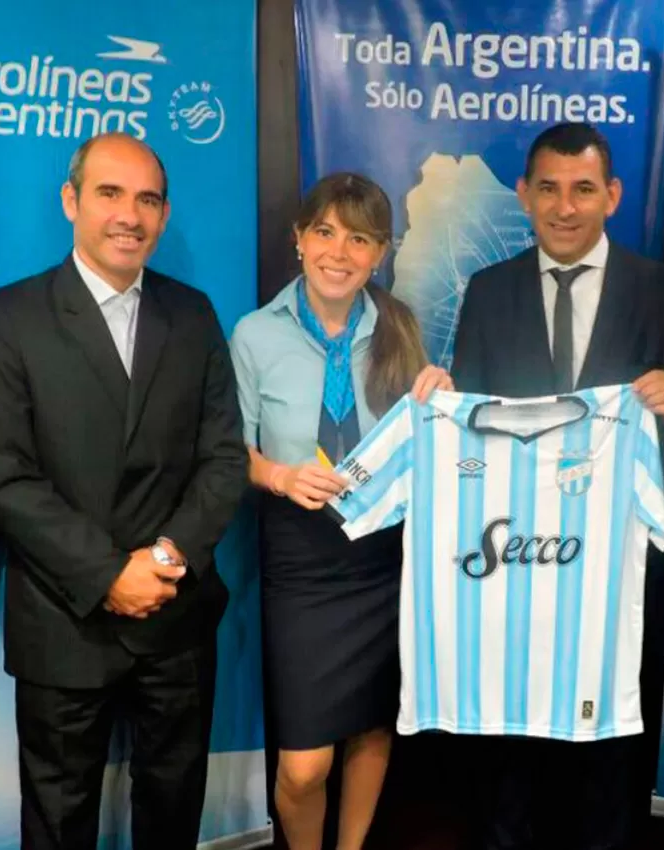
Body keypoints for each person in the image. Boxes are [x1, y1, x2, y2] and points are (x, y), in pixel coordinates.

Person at [414, 121, 664, 850]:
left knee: (609, 749)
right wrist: (446, 401)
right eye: (548, 188)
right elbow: (472, 428)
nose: (565, 207)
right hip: (515, 566)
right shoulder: (488, 291)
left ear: (612, 195)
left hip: (615, 574)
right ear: (524, 195)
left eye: (583, 189)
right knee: (508, 744)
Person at [0, 132, 249, 850]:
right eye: (110, 194)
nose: (130, 214)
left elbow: (221, 457)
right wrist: (108, 573)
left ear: (165, 212)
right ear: (71, 201)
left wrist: (166, 562)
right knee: (57, 822)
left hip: (175, 617)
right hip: (65, 620)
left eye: (147, 198)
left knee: (173, 811)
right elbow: (3, 474)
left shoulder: (193, 314)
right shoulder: (7, 317)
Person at [230, 173, 441, 850]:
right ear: (298, 240)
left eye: (359, 238)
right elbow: (229, 451)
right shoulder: (256, 335)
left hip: (383, 556)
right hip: (302, 560)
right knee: (304, 765)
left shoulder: (401, 328)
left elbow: (425, 445)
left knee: (372, 726)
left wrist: (439, 398)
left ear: (380, 252)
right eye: (324, 232)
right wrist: (279, 475)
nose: (339, 251)